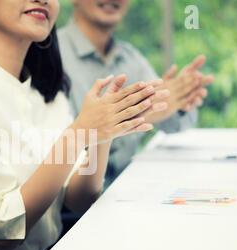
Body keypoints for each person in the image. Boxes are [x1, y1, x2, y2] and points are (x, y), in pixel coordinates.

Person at [0, 0, 170, 250]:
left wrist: (102, 134)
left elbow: (81, 198)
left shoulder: (47, 93)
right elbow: (3, 232)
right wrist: (79, 134)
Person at [58, 0, 215, 187]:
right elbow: (58, 145)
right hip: (77, 210)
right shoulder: (50, 54)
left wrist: (180, 100)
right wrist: (136, 116)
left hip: (128, 193)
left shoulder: (131, 58)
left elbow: (175, 124)